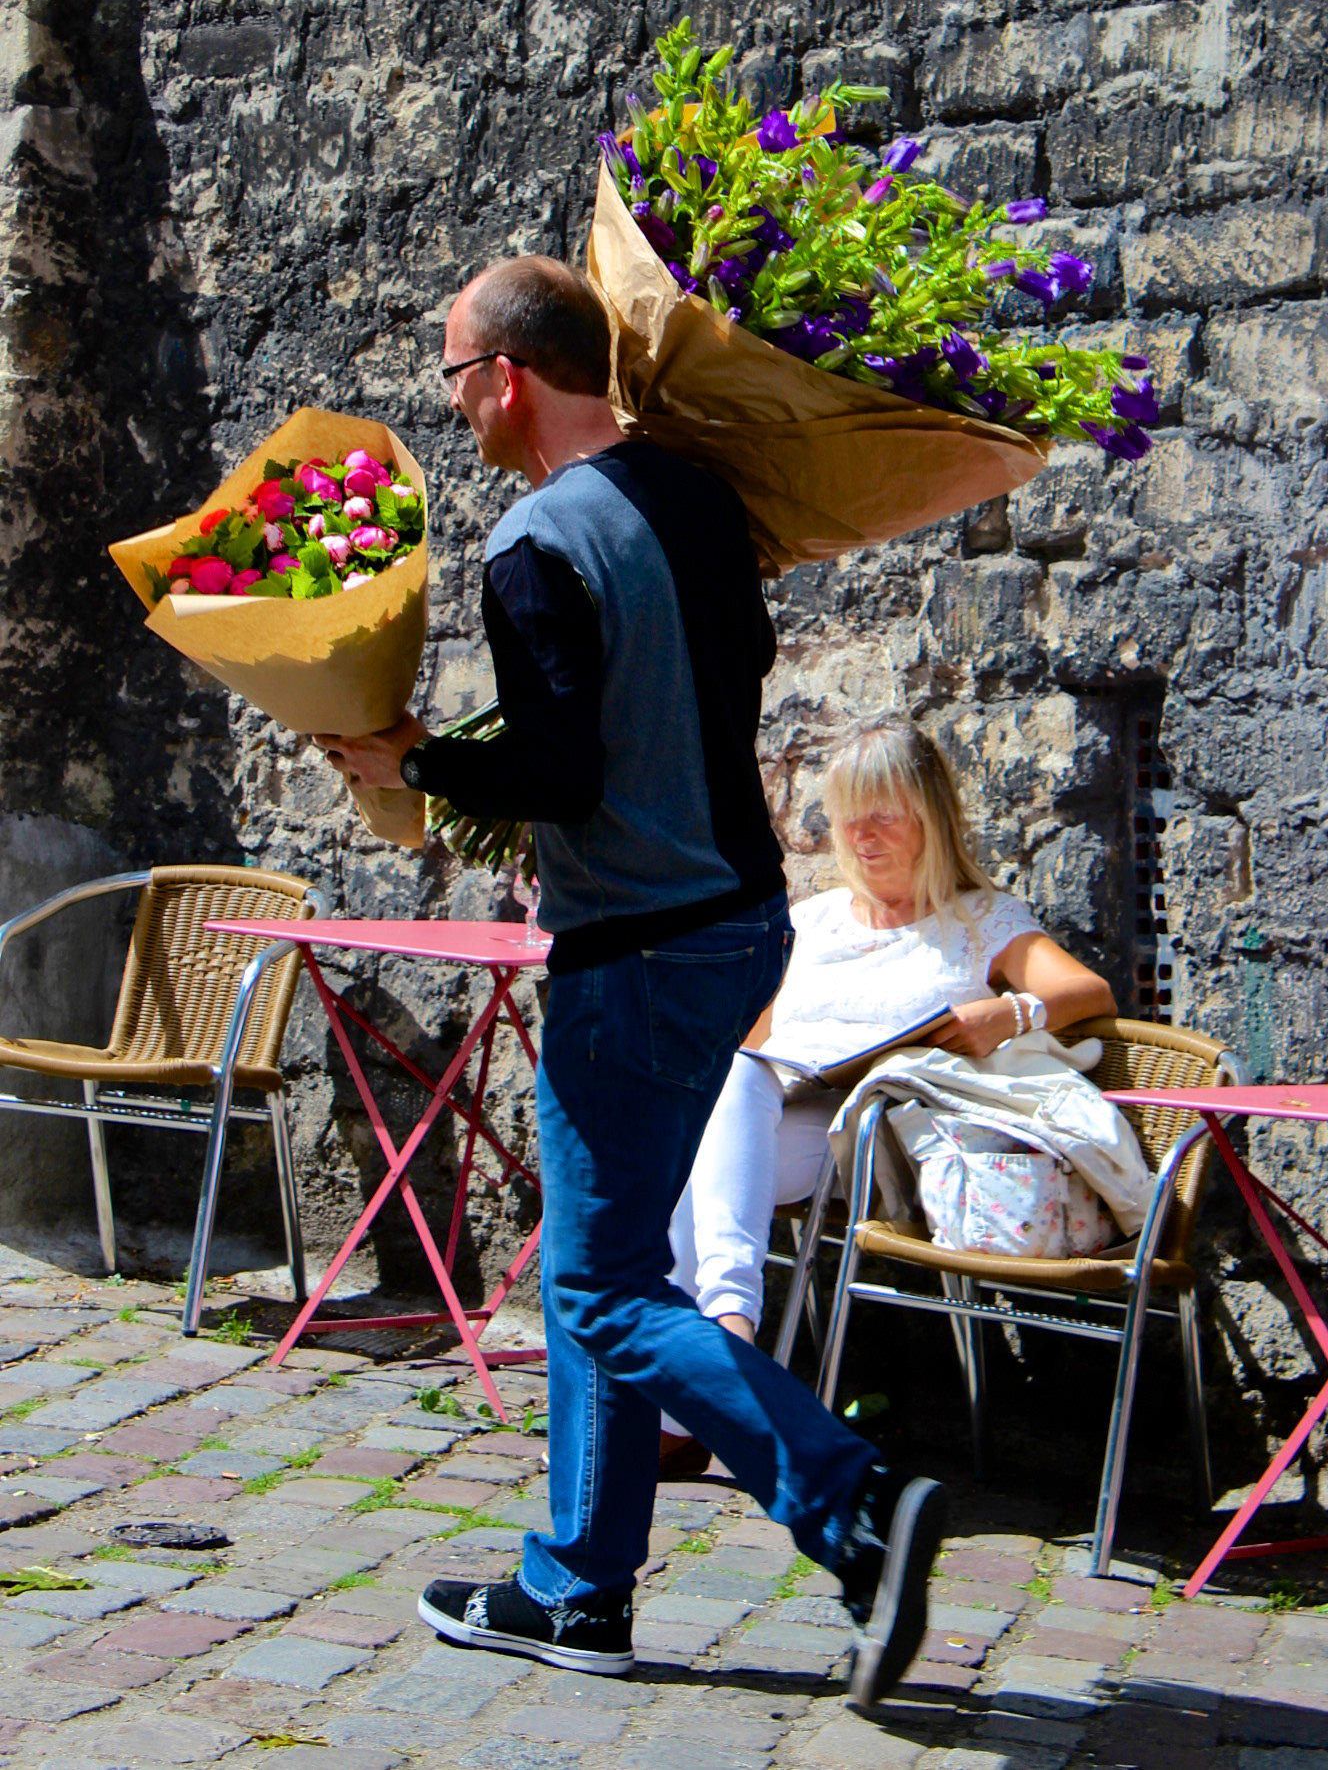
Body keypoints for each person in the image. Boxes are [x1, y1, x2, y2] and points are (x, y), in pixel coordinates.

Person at [317, 256, 944, 1705]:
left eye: (456, 374)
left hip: (640, 948)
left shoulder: (537, 541)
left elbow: (560, 772)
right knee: (610, 1261)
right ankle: (577, 1585)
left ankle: (850, 1497)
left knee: (599, 1286)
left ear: (508, 377)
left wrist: (414, 757)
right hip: (742, 922)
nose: (455, 403)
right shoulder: (702, 496)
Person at [662, 717, 1116, 1469]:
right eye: (849, 817)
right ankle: (710, 1366)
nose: (861, 835)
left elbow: (1088, 991)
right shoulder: (813, 923)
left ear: (929, 815)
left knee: (702, 1142)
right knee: (702, 1129)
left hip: (887, 1143)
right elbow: (753, 1039)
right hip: (794, 1121)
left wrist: (1007, 1013)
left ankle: (709, 1366)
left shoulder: (981, 920)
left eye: (883, 815)